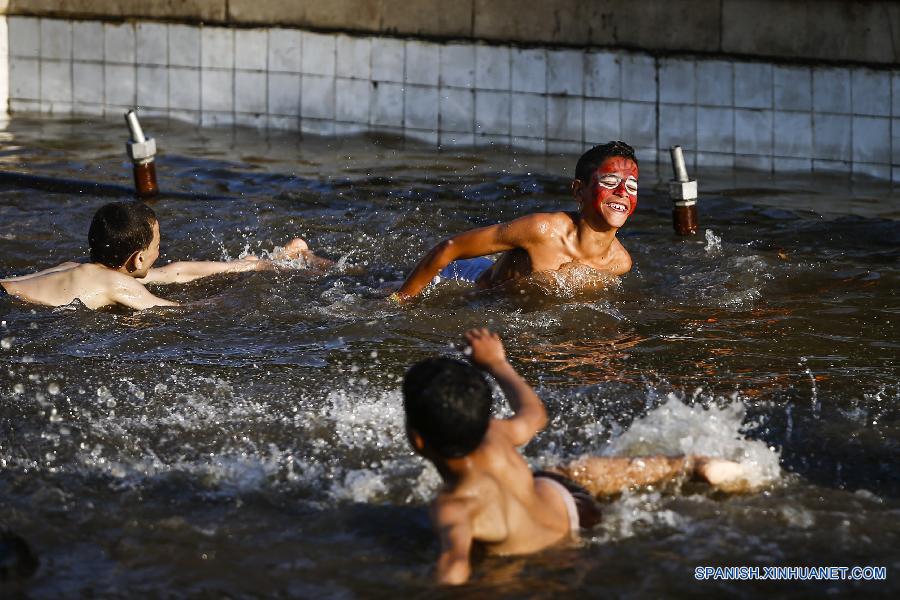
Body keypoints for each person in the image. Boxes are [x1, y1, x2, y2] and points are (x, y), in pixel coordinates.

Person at [403, 328, 755, 585]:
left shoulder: (454, 505)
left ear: (418, 439)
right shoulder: (496, 433)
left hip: (550, 557)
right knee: (583, 472)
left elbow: (453, 567)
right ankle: (689, 465)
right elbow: (534, 414)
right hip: (571, 505)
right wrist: (498, 363)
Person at [391, 141, 639, 302]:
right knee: (377, 287)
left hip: (501, 296)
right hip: (462, 279)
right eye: (609, 182)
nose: (622, 192)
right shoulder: (542, 230)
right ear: (578, 191)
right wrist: (401, 301)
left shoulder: (620, 263)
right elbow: (451, 247)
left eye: (631, 186)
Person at [0, 201, 328, 310]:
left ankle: (277, 258)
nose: (161, 251)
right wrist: (235, 300)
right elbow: (173, 310)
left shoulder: (83, 268)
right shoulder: (118, 285)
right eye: (157, 245)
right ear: (138, 259)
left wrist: (252, 268)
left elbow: (175, 272)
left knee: (168, 274)